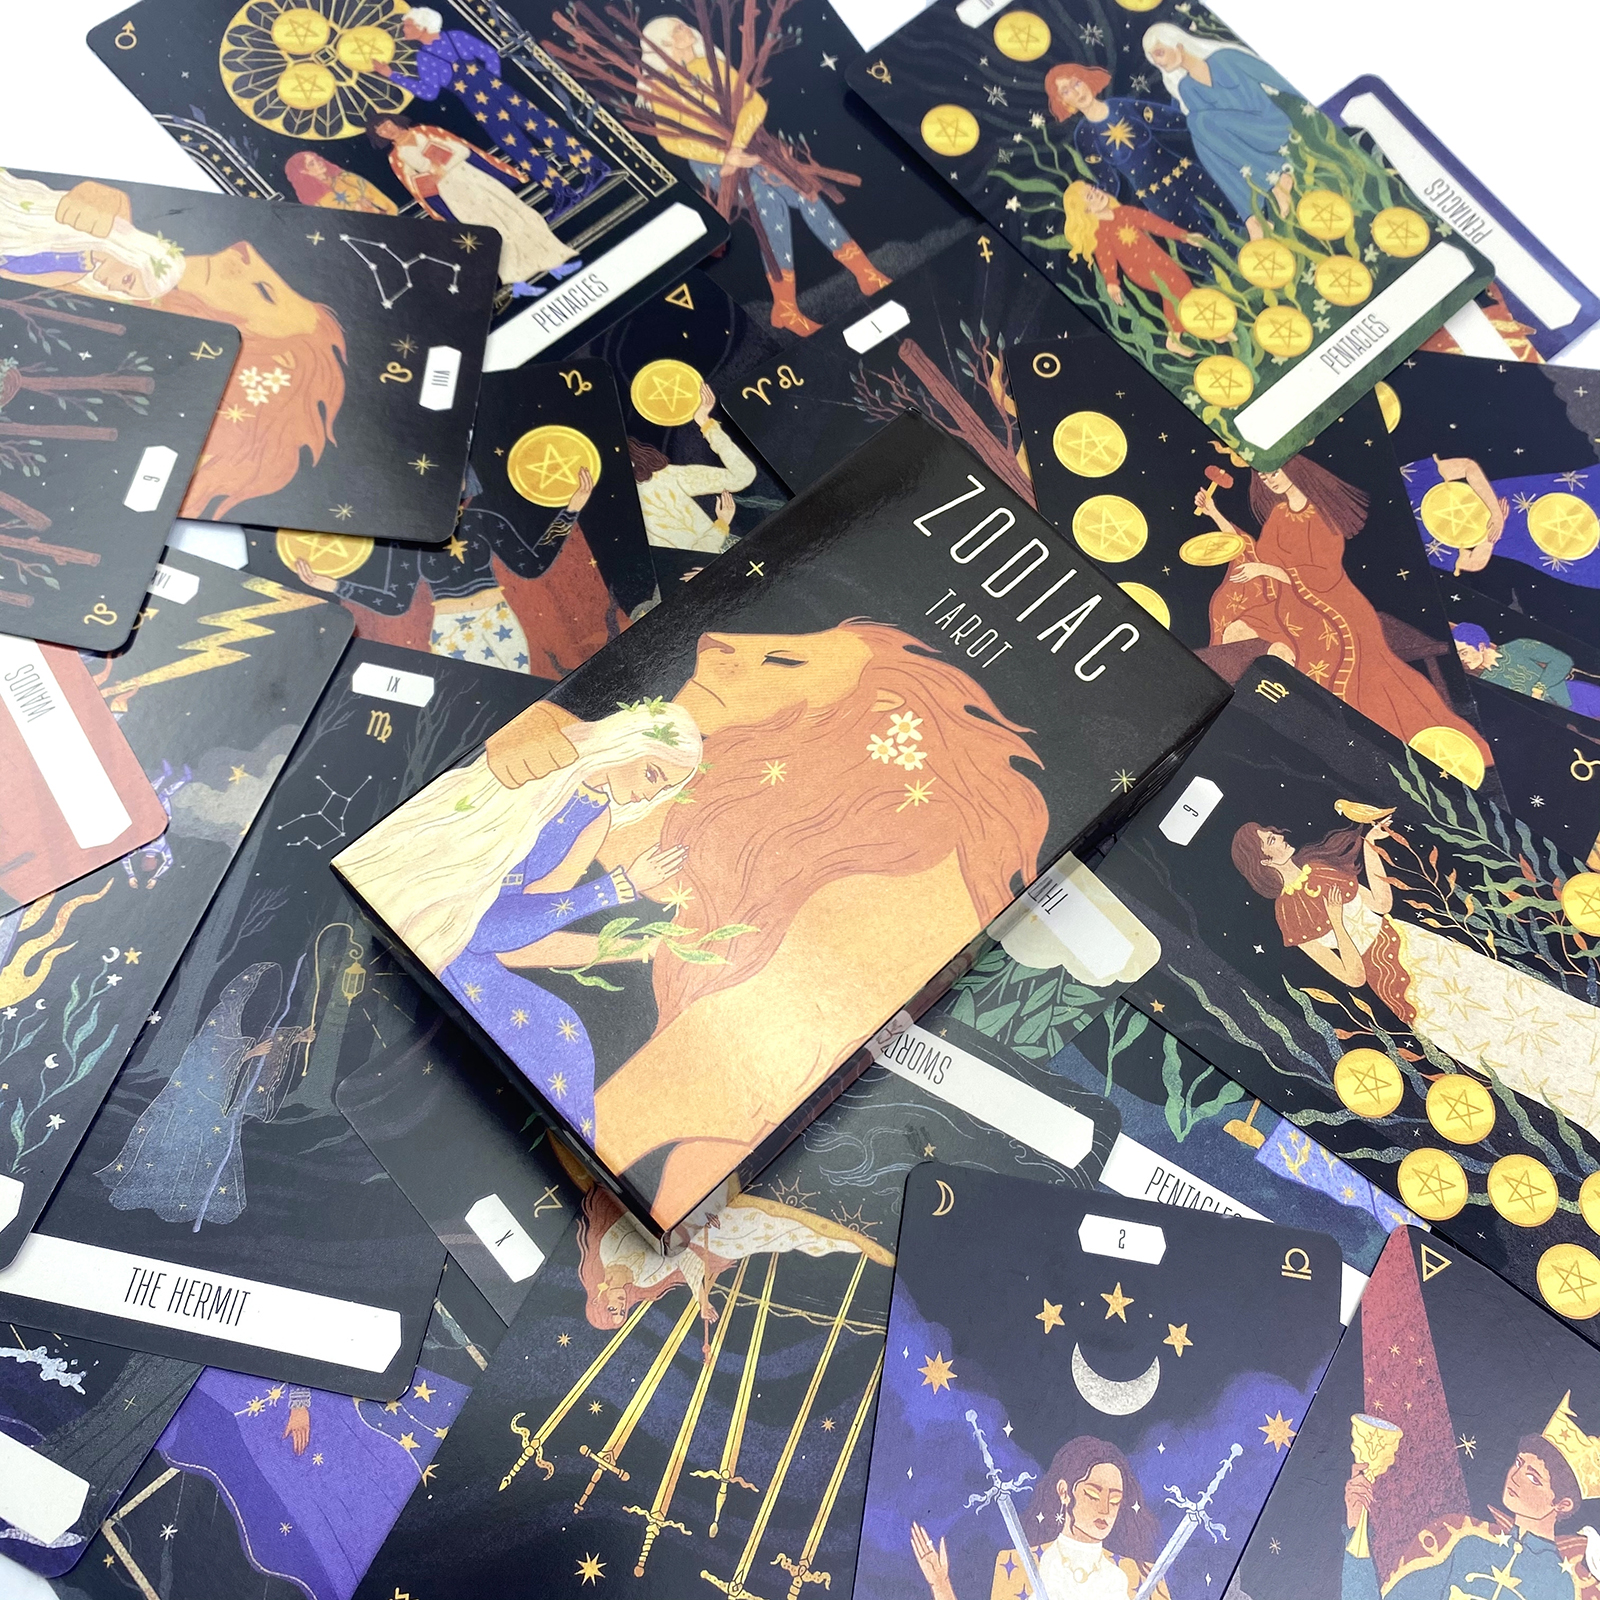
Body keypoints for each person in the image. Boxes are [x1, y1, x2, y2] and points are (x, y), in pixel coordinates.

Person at [456, 621, 1050, 1226]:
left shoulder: (888, 880)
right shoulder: (708, 795)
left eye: (785, 661)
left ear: (881, 712)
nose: (712, 639)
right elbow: (508, 920)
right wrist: (545, 744)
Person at [333, 701, 702, 1145]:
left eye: (664, 788)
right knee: (555, 1046)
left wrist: (636, 948)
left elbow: (524, 934)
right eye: (652, 774)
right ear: (628, 742)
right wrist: (614, 889)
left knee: (564, 1041)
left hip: (475, 947)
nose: (650, 794)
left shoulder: (596, 817)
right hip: (441, 927)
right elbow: (490, 926)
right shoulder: (543, 771)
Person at [0, 168, 345, 521]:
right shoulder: (136, 269)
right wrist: (77, 213)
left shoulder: (121, 333)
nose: (243, 251)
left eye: (263, 291)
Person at [1232, 813, 1600, 1137]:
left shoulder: (1320, 869)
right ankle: (1582, 1099)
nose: (1279, 836)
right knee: (1483, 1034)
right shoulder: (1288, 913)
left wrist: (1370, 848)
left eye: (1272, 832)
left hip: (1417, 945)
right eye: (1269, 839)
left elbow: (1381, 904)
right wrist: (1337, 924)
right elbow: (1352, 977)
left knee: (1510, 992)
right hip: (1398, 981)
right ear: (1263, 860)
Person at [1197, 454, 1493, 772]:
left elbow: (1322, 575)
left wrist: (1266, 570)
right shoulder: (1280, 514)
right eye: (1264, 477)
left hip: (1332, 610)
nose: (1270, 480)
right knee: (1235, 628)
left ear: (1295, 467)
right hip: (1288, 605)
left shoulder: (1323, 514)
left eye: (1274, 472)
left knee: (1350, 683)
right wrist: (1216, 513)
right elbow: (1257, 554)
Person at [635, 15, 889, 335]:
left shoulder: (713, 66)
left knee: (804, 193)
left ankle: (866, 273)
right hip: (712, 165)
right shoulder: (663, 87)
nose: (685, 29)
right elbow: (672, 140)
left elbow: (753, 105)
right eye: (676, 29)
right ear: (664, 43)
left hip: (750, 149)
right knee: (769, 204)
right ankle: (785, 308)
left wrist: (737, 146)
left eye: (684, 25)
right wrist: (725, 157)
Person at [295, 466, 606, 677]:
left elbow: (533, 565)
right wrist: (336, 586)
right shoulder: (412, 538)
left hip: (498, 620)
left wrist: (571, 510)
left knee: (517, 692)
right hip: (451, 632)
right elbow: (396, 602)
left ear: (464, 482)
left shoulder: (483, 519)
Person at [374, 5, 607, 217]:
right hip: (477, 103)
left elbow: (489, 55)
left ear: (422, 26)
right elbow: (429, 92)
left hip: (496, 90)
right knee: (514, 144)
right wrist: (392, 75)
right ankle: (561, 190)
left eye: (407, 25)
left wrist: (490, 83)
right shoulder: (424, 58)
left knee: (542, 126)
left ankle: (592, 166)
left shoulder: (455, 37)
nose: (404, 30)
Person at [575, 1185, 887, 1340]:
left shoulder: (607, 1250)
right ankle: (844, 1241)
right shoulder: (644, 1280)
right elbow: (686, 1260)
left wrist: (687, 1218)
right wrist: (701, 1300)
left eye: (613, 1310)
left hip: (665, 1201)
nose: (621, 1306)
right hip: (692, 1229)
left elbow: (639, 1215)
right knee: (755, 1234)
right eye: (623, 1313)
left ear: (600, 1299)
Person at [1342, 1419, 1597, 1598]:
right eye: (1519, 1463)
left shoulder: (1569, 1587)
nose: (1515, 1477)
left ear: (1562, 1504)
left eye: (1534, 1478)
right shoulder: (1460, 1539)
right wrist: (1357, 1524)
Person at [910, 1436, 1166, 1600]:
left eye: (1115, 1499)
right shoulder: (1016, 1564)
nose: (1105, 1509)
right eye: (1092, 1494)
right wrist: (942, 1586)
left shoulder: (1144, 1575)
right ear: (1064, 1491)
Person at [367, 115, 581, 288]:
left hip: (471, 176)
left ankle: (554, 260)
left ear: (393, 120)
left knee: (515, 212)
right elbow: (415, 185)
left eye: (386, 124)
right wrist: (432, 173)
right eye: (381, 131)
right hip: (451, 191)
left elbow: (462, 149)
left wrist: (442, 165)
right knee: (491, 230)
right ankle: (518, 279)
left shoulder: (426, 131)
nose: (387, 130)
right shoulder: (395, 157)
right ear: (379, 137)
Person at [1044, 61, 1225, 263]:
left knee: (1233, 213)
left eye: (1076, 83)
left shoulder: (1120, 106)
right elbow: (1108, 180)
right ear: (1063, 101)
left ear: (1086, 80)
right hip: (1158, 197)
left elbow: (1167, 118)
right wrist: (1094, 205)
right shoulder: (1084, 136)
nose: (1076, 92)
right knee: (1203, 251)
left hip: (1184, 172)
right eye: (1066, 91)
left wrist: (1203, 120)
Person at [1142, 23, 1297, 240]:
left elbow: (1275, 77)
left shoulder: (1226, 58)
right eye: (1153, 58)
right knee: (1203, 141)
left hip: (1268, 128)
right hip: (1242, 144)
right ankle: (1251, 217)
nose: (1158, 62)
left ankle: (1277, 178)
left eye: (1159, 53)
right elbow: (1215, 139)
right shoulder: (1187, 88)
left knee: (1197, 123)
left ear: (1178, 45)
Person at [1061, 181, 1208, 356]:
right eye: (1090, 197)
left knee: (1183, 283)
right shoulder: (1100, 233)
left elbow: (1153, 223)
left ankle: (1210, 327)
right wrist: (1111, 282)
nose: (1098, 194)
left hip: (1158, 258)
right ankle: (1174, 339)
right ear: (1086, 210)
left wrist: (1184, 236)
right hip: (1141, 270)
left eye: (1094, 189)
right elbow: (1106, 258)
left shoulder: (1124, 212)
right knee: (1171, 289)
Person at [629, 382, 754, 553]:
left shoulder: (663, 477)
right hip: (719, 559)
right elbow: (695, 555)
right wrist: (721, 525)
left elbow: (742, 475)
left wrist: (706, 423)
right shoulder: (632, 519)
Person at [1452, 621, 1600, 718]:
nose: (1461, 659)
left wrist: (1540, 687)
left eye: (1463, 652)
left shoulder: (1518, 647)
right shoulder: (1487, 681)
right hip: (1558, 718)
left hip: (1575, 694)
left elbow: (1562, 661)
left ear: (1481, 646)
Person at [283, 151, 399, 214]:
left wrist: (392, 215)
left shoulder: (345, 178)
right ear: (303, 171)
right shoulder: (315, 199)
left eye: (317, 159)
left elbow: (377, 197)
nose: (319, 163)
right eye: (311, 164)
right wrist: (358, 201)